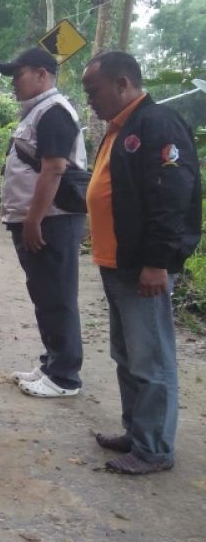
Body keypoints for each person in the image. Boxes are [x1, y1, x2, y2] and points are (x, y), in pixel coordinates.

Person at [83, 51, 201, 475]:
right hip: (118, 262)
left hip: (142, 267)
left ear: (122, 84)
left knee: (150, 359)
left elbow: (171, 197)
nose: (89, 99)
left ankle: (153, 449)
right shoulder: (122, 127)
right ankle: (136, 432)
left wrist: (158, 262)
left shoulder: (156, 125)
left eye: (93, 90)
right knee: (127, 354)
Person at [0, 48, 87, 398]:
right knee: (44, 293)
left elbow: (54, 168)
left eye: (18, 75)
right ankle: (53, 362)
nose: (13, 83)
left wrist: (33, 220)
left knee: (57, 294)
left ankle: (65, 376)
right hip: (37, 220)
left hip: (52, 221)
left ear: (41, 75)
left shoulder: (53, 113)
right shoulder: (38, 112)